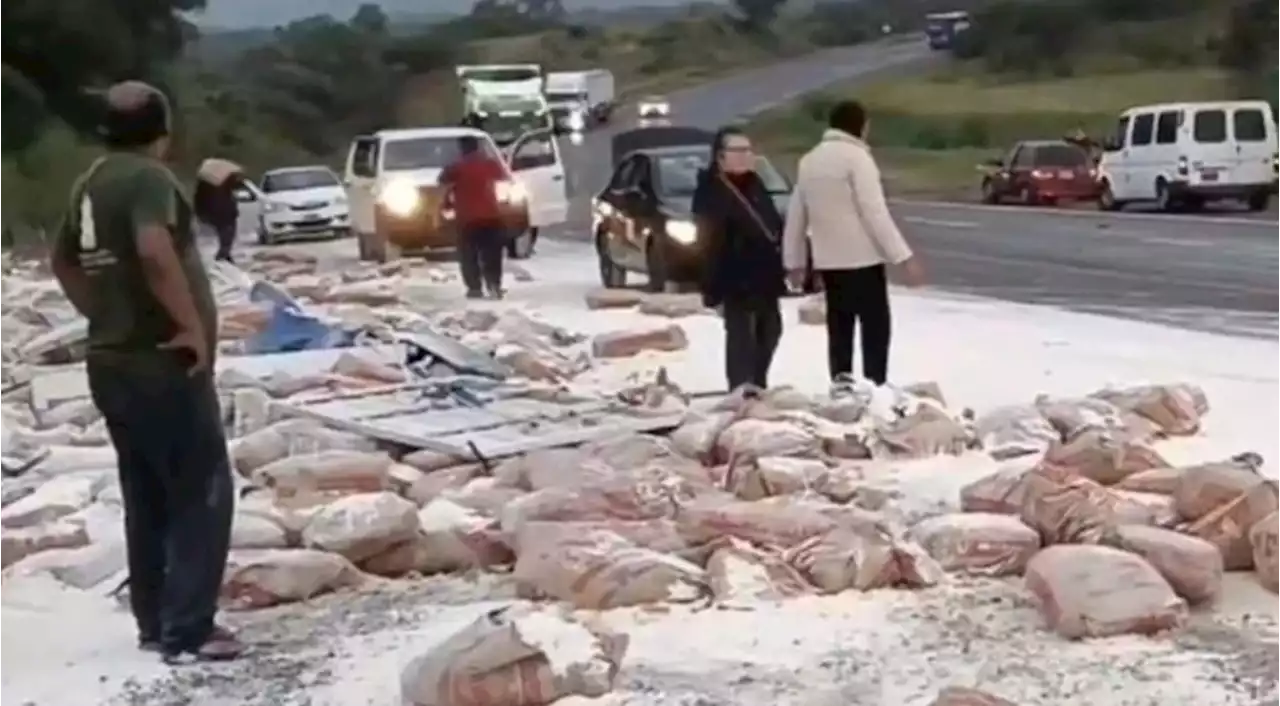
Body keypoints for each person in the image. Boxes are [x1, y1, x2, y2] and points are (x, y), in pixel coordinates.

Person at [49, 81, 242, 664]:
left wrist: (102, 313)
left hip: (111, 362)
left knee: (147, 493)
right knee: (201, 490)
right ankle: (189, 628)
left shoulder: (90, 180)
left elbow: (63, 260)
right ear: (163, 129)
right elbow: (155, 249)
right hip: (161, 361)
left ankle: (155, 620)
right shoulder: (148, 179)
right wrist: (188, 328)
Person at [782, 99, 924, 386]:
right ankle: (875, 385)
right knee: (875, 328)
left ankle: (842, 384)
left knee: (839, 328)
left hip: (829, 262)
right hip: (863, 260)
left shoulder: (809, 160)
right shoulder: (857, 159)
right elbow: (874, 212)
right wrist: (903, 257)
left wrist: (794, 261)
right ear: (861, 126)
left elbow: (797, 213)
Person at [693, 126, 787, 390]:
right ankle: (740, 387)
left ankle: (758, 381)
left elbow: (771, 223)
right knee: (741, 335)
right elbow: (709, 242)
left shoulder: (755, 184)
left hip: (764, 274)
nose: (746, 156)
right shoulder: (711, 191)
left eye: (748, 150)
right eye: (738, 150)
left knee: (770, 330)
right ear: (720, 157)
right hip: (733, 275)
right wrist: (711, 288)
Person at [440, 135, 508, 299]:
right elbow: (503, 178)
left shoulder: (456, 167)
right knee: (492, 254)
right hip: (491, 216)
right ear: (477, 147)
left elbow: (442, 180)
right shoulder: (489, 164)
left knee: (468, 255)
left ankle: (474, 287)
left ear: (462, 149)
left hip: (467, 219)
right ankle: (494, 284)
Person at [193, 159, 243, 262]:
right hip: (223, 215)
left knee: (227, 236)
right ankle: (223, 256)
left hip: (223, 214)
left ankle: (224, 254)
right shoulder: (217, 187)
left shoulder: (212, 186)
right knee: (227, 235)